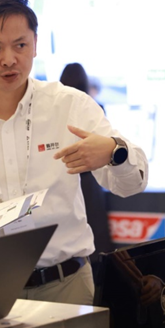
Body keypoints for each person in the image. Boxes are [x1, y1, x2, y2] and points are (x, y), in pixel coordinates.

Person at [0, 0, 148, 305]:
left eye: (20, 45)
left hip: (66, 283)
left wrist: (114, 151)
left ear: (35, 44)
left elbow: (132, 184)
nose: (9, 59)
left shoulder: (69, 104)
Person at [59, 62, 114, 262]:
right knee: (96, 232)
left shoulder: (56, 109)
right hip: (90, 178)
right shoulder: (94, 107)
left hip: (63, 174)